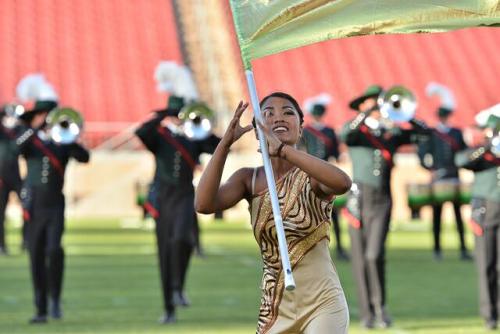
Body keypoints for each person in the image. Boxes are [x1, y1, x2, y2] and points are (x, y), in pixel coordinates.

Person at [195, 93, 352, 334]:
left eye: (288, 112)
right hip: (275, 309)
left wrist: (283, 151)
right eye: (267, 113)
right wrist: (225, 143)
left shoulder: (312, 175)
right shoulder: (249, 179)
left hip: (323, 303)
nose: (278, 117)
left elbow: (342, 183)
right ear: (257, 131)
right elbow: (203, 204)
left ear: (301, 129)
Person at [341, 85, 429, 329]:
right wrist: (367, 113)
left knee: (375, 255)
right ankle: (368, 314)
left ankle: (381, 308)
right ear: (362, 106)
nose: (378, 108)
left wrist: (406, 114)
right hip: (358, 199)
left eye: (380, 103)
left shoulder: (391, 134)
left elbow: (424, 133)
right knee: (360, 259)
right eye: (372, 103)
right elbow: (345, 134)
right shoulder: (357, 133)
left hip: (381, 201)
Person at [135, 95, 219, 324]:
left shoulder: (194, 136)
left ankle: (177, 285)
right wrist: (163, 115)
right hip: (162, 198)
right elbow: (141, 133)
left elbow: (218, 145)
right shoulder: (159, 136)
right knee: (165, 251)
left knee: (182, 240)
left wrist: (203, 122)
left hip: (184, 196)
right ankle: (168, 307)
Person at [17, 100, 90, 323]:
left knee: (54, 250)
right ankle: (40, 308)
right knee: (36, 255)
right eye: (42, 115)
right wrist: (38, 127)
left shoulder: (63, 141)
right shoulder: (29, 140)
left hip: (55, 205)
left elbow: (84, 157)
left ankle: (55, 300)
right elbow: (16, 148)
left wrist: (72, 136)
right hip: (34, 206)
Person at [455, 110, 499, 330]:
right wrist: (488, 144)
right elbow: (462, 160)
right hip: (484, 212)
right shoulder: (481, 153)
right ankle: (489, 315)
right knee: (486, 265)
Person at [417, 106, 471, 261]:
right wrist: (430, 169)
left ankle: (463, 249)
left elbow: (464, 153)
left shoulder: (456, 133)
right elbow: (422, 153)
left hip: (454, 176)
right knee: (437, 216)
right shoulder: (433, 133)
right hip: (439, 179)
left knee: (458, 216)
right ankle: (437, 249)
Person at [301, 99, 349, 261]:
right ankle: (332, 249)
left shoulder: (315, 131)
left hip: (319, 175)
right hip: (318, 174)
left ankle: (338, 248)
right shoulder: (313, 131)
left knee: (329, 213)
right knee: (315, 212)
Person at [0, 105, 25, 254]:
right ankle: (1, 245)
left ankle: (27, 241)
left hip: (16, 177)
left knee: (28, 208)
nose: (11, 120)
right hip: (1, 179)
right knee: (0, 214)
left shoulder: (18, 134)